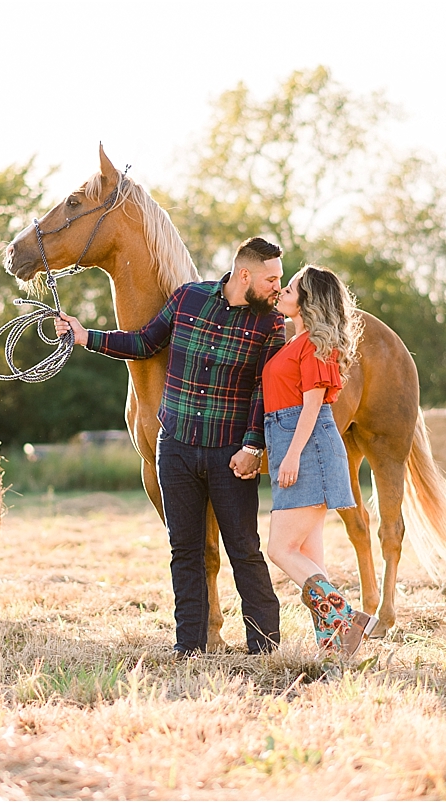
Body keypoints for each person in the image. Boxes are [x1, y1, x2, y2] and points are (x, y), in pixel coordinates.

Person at [54, 237, 286, 657]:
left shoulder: (269, 325)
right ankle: (189, 647)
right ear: (245, 274)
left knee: (244, 551)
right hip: (175, 448)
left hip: (228, 454)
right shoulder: (188, 299)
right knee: (185, 551)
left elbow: (262, 391)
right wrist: (85, 335)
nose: (277, 287)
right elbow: (143, 343)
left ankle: (265, 649)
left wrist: (252, 446)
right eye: (272, 279)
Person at [261, 265, 377, 660]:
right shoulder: (298, 341)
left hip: (305, 447)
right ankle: (333, 648)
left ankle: (345, 618)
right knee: (309, 559)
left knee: (280, 549)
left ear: (307, 301)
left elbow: (312, 406)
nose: (283, 291)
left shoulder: (313, 344)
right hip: (293, 442)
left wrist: (291, 456)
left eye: (290, 287)